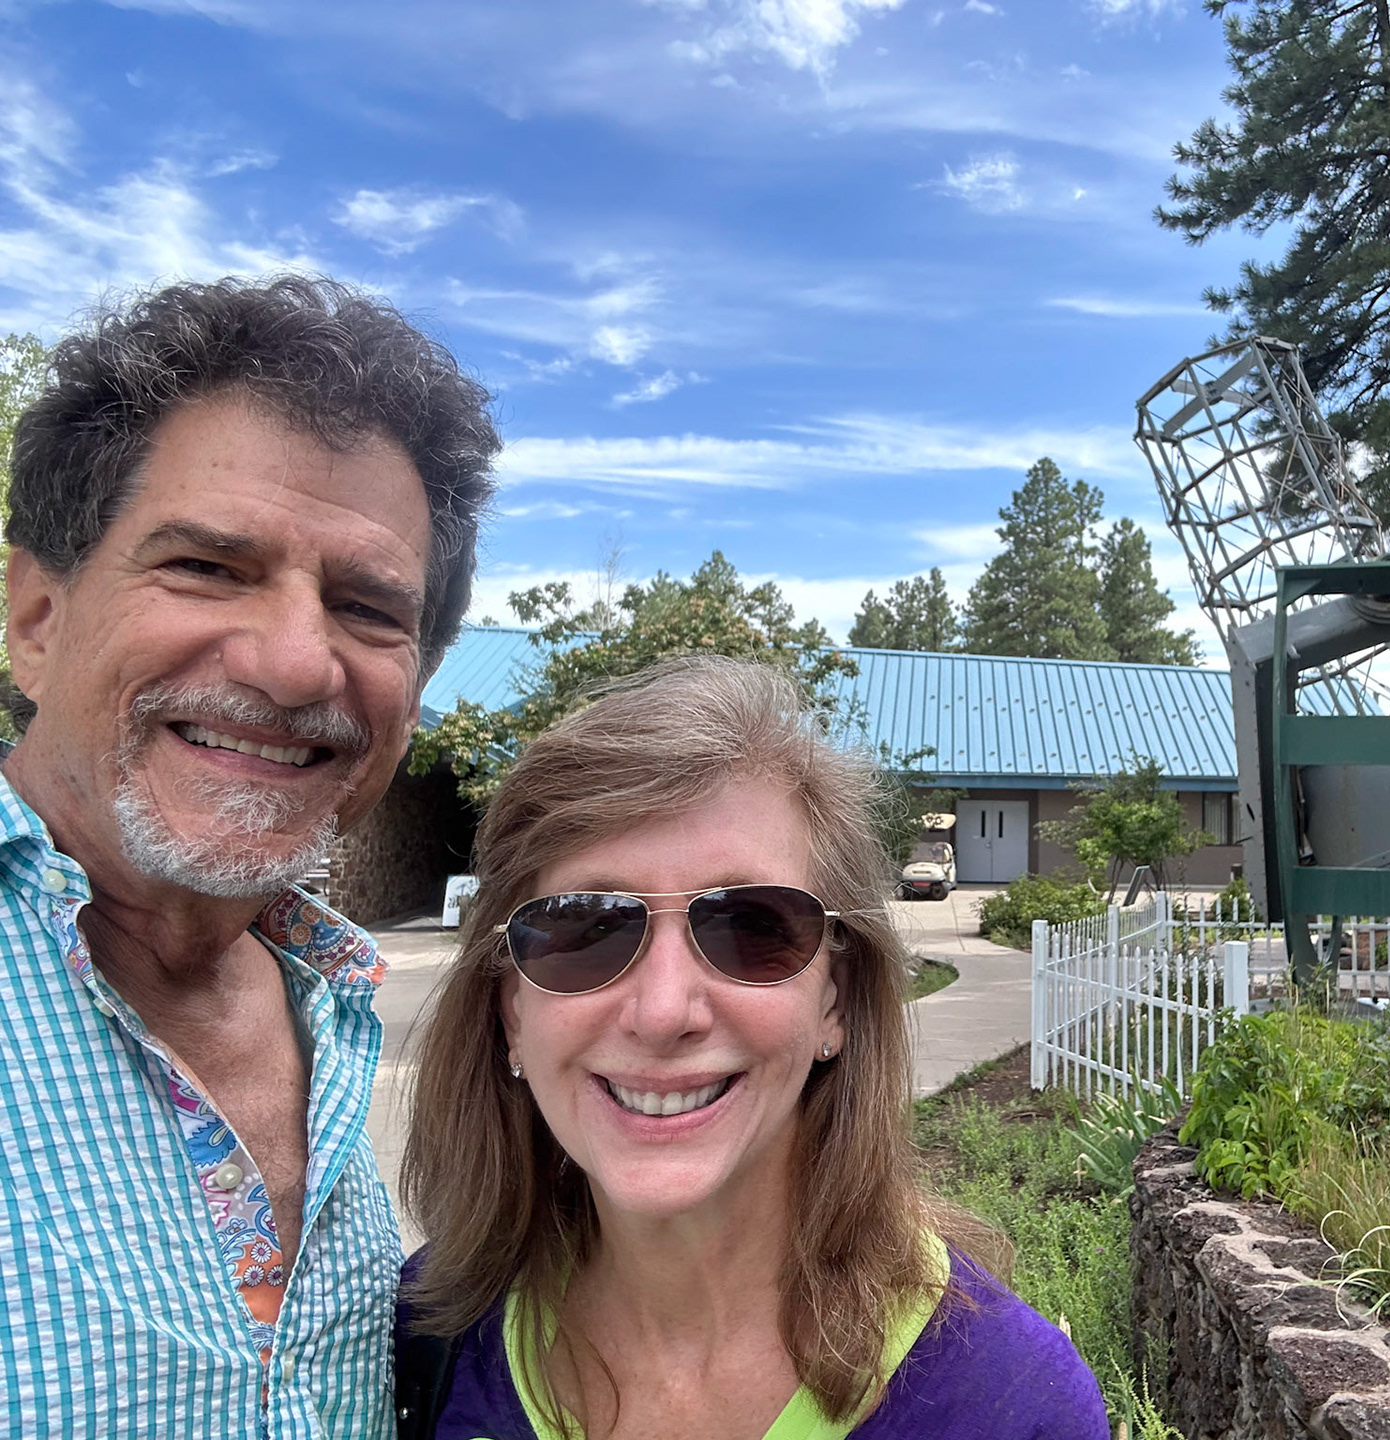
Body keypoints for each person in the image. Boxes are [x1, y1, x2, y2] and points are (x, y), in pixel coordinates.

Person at [0, 275, 498, 1437]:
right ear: (37, 619)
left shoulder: (324, 997)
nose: (293, 663)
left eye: (368, 607)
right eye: (209, 567)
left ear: (417, 685)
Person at [396, 657, 1108, 1440]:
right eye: (586, 928)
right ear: (511, 1011)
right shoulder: (426, 1341)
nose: (663, 1012)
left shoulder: (1009, 1403)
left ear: (835, 998)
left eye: (751, 927)